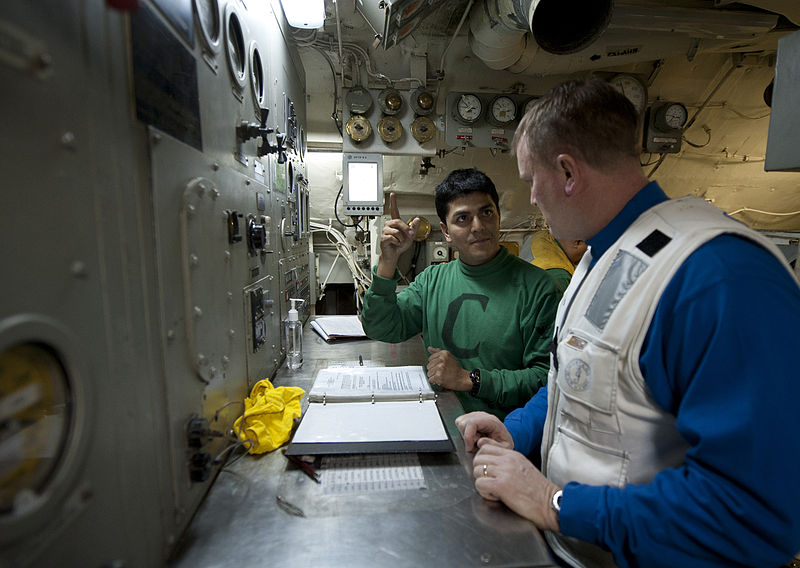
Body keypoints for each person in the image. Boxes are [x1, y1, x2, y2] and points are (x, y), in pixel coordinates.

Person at [456, 77, 800, 568]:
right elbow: (579, 378)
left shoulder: (716, 277)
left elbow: (751, 513)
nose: (531, 198)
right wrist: (518, 431)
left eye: (532, 180)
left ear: (568, 172)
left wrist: (554, 503)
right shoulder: (606, 256)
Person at [360, 168, 561, 420]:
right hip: (441, 425)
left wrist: (470, 379)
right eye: (463, 218)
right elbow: (380, 329)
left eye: (486, 213)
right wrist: (388, 262)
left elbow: (547, 378)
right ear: (445, 232)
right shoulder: (432, 282)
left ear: (499, 217)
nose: (478, 227)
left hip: (505, 437)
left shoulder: (537, 288)